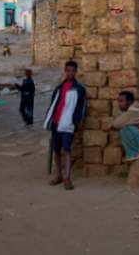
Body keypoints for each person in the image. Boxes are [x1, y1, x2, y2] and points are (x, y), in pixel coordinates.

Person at [43, 60, 87, 190]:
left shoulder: (79, 89)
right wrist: (50, 119)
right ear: (65, 71)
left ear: (76, 72)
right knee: (56, 150)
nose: (70, 73)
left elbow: (81, 107)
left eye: (73, 71)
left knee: (67, 150)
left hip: (68, 124)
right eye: (68, 71)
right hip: (56, 122)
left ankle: (68, 178)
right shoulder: (59, 87)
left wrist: (75, 121)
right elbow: (54, 104)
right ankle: (59, 175)